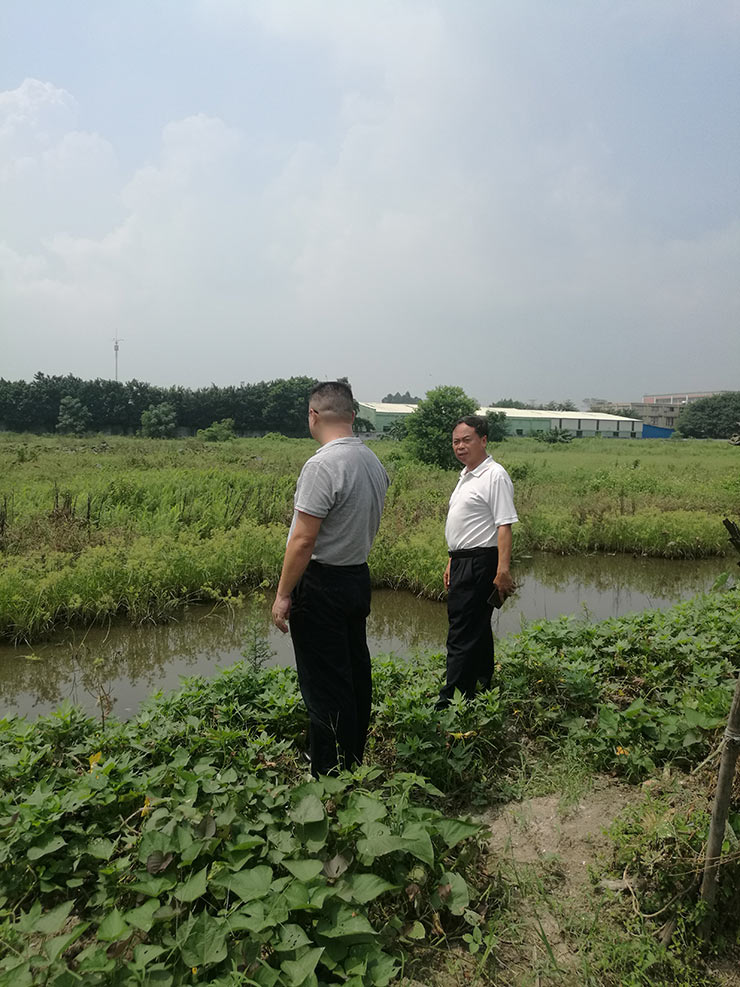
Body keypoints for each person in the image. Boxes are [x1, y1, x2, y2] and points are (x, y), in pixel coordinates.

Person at [271, 381, 389, 775]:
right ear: (353, 416)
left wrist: (284, 594)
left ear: (313, 415)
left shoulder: (322, 464)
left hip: (321, 584)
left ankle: (329, 775)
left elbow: (303, 540)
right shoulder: (372, 462)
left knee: (324, 686)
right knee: (354, 673)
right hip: (356, 578)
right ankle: (352, 760)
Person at [436, 415, 518, 709]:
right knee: (477, 627)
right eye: (456, 441)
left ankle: (451, 701)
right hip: (462, 559)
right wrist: (451, 560)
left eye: (466, 440)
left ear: (483, 440)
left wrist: (503, 570)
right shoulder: (466, 475)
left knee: (460, 630)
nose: (459, 446)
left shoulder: (494, 475)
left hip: (481, 561)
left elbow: (504, 525)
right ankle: (481, 685)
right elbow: (467, 526)